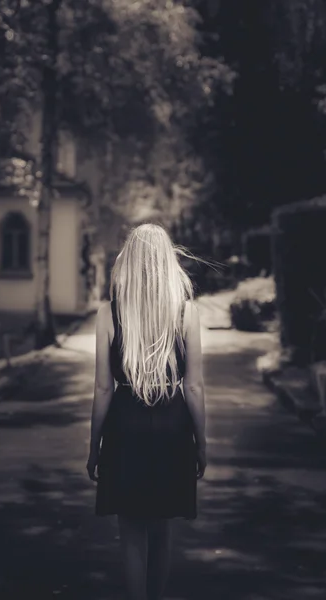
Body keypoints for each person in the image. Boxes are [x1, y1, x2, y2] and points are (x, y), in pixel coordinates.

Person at [87, 223, 207, 600]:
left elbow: (104, 388)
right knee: (162, 529)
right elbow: (194, 386)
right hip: (172, 426)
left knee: (132, 534)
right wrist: (201, 442)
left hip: (124, 427)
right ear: (167, 262)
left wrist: (93, 447)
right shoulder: (186, 313)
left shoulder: (108, 314)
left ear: (129, 262)